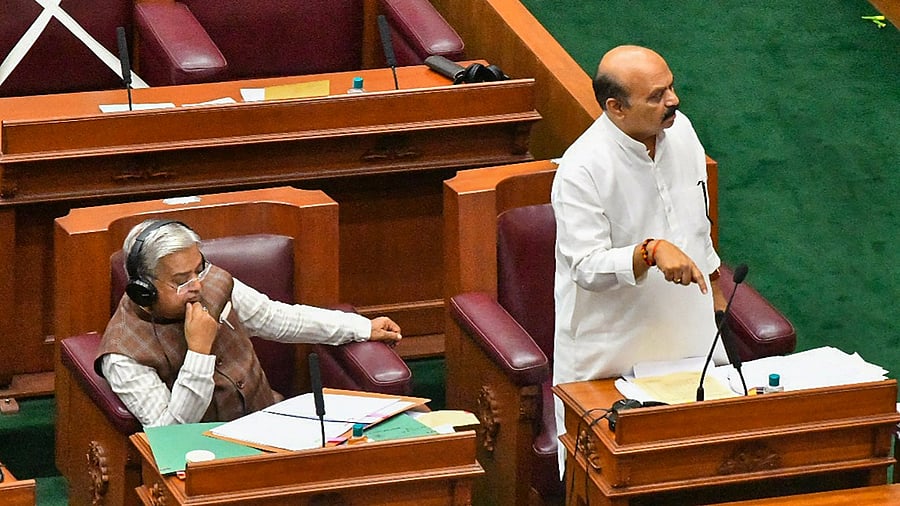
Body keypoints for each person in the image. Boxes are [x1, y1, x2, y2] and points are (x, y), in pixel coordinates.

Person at [551, 45, 727, 472]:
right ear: (615, 108)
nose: (673, 101)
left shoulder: (681, 131)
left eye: (671, 87)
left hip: (692, 343)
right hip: (611, 356)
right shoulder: (581, 170)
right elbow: (586, 267)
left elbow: (696, 219)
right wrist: (648, 252)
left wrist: (715, 286)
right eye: (656, 96)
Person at [95, 219, 402, 427]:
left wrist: (359, 327)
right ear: (143, 289)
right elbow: (170, 432)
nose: (197, 286)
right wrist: (199, 354)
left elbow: (276, 318)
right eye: (180, 280)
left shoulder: (213, 282)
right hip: (205, 455)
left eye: (197, 269)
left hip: (269, 421)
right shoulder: (123, 354)